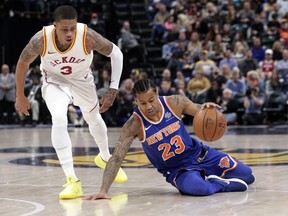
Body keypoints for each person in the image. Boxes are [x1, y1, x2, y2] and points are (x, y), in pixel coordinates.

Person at [14, 5, 127, 199]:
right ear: (54, 26)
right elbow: (23, 63)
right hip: (54, 80)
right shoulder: (41, 40)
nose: (69, 33)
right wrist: (20, 96)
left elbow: (116, 53)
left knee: (93, 118)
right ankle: (72, 180)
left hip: (82, 79)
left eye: (72, 28)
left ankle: (105, 156)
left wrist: (113, 88)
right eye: (64, 29)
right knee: (58, 116)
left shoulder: (87, 36)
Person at [85, 79, 255, 200]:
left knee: (248, 175)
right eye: (143, 103)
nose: (149, 106)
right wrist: (103, 190)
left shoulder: (175, 102)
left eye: (151, 100)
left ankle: (211, 176)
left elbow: (199, 111)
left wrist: (206, 109)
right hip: (178, 170)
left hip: (201, 154)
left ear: (157, 94)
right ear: (135, 101)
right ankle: (218, 183)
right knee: (199, 189)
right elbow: (116, 158)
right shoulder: (134, 124)